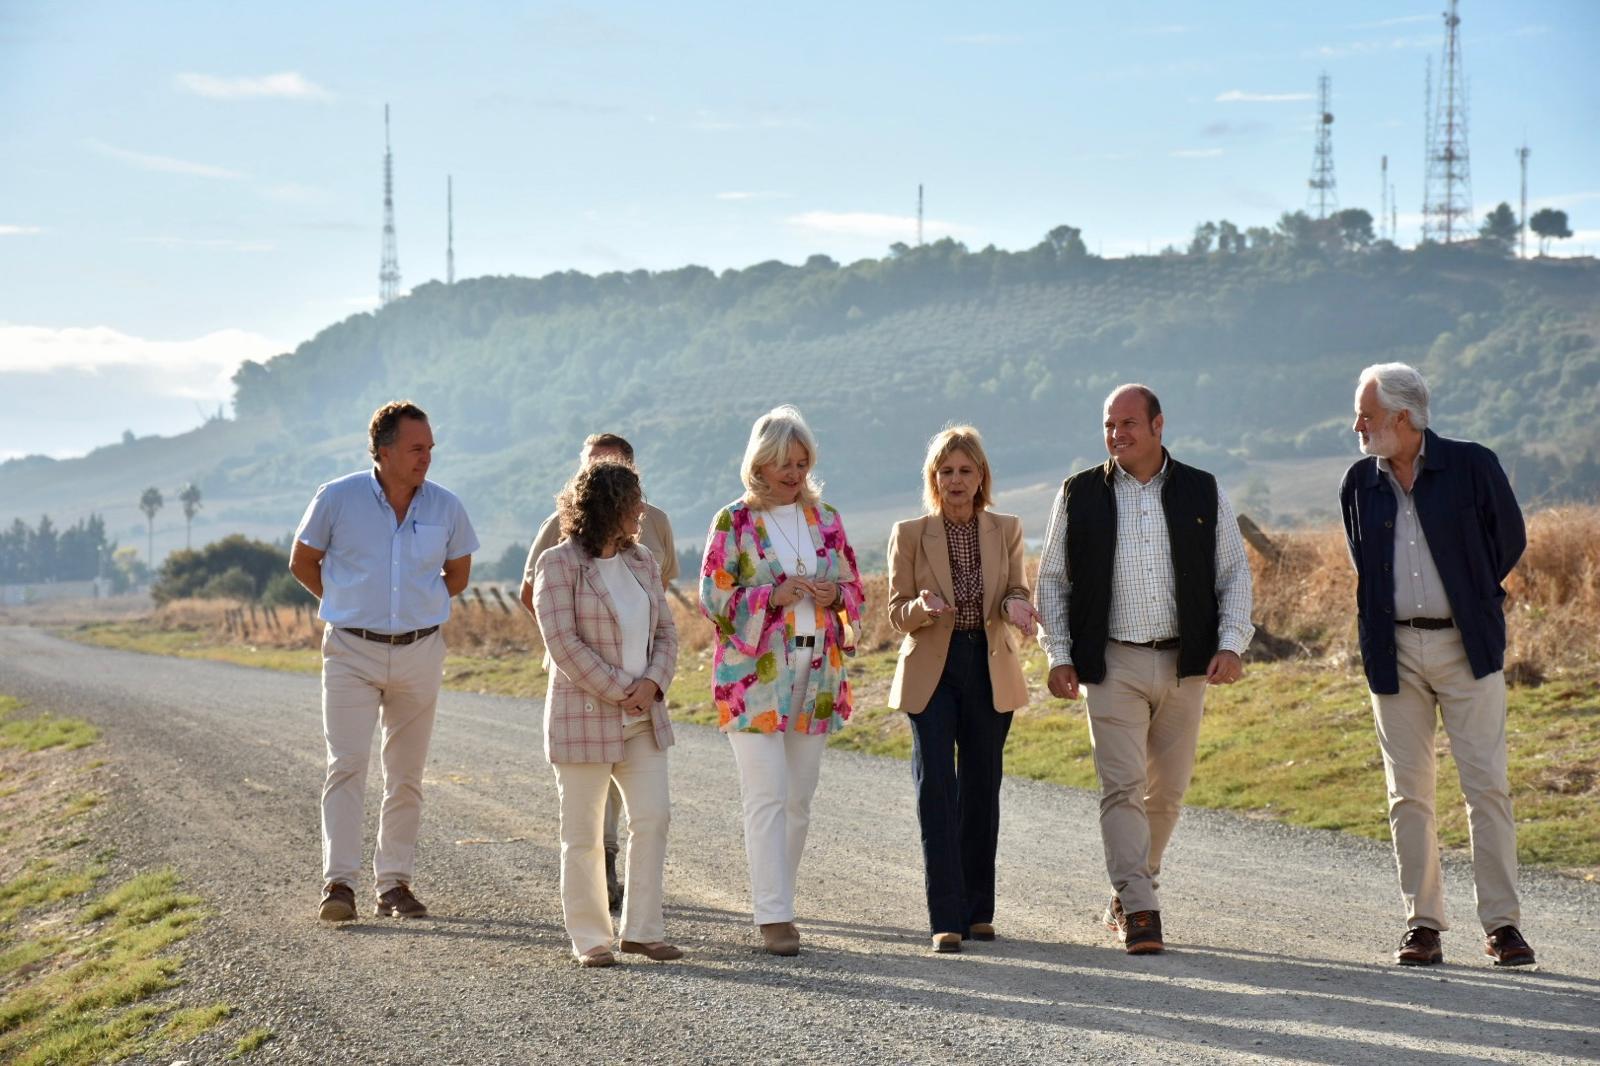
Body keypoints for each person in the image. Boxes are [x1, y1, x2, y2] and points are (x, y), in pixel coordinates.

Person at [1035, 383, 1253, 955]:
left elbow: (1233, 574)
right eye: (1109, 425)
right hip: (1110, 663)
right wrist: (1059, 653)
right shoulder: (1078, 494)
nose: (1116, 435)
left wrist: (1231, 643)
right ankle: (1140, 907)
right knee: (1122, 788)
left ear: (1159, 425)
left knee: (1169, 793)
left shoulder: (1202, 490)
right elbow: (1053, 582)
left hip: (1186, 664)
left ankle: (1133, 885)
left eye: (1128, 423)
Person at [1341, 363, 1535, 968]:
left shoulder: (1473, 465)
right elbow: (1363, 564)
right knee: (1409, 794)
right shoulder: (1357, 482)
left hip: (1466, 644)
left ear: (1403, 417)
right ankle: (1422, 924)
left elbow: (1509, 540)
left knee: (1487, 787)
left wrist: (1473, 593)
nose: (1358, 426)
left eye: (1367, 415)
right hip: (1392, 649)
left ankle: (1502, 927)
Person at [289, 400, 478, 922]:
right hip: (350, 650)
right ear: (384, 450)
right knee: (346, 765)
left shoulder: (446, 507)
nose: (427, 458)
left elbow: (457, 577)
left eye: (431, 448)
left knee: (407, 775)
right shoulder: (337, 498)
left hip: (420, 651)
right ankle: (339, 885)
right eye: (417, 448)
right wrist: (348, 601)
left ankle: (394, 884)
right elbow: (303, 561)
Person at [698, 404, 864, 956]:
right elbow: (713, 597)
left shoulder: (828, 520)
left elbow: (856, 589)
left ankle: (780, 898)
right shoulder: (733, 522)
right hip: (752, 680)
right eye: (782, 463)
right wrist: (774, 595)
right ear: (759, 466)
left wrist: (833, 595)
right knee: (766, 794)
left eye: (801, 461)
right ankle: (773, 916)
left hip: (816, 673)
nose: (793, 473)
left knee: (799, 798)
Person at [886, 426, 1040, 954]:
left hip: (989, 665)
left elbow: (1015, 589)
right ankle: (945, 917)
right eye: (946, 471)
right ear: (934, 479)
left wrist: (1016, 606)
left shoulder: (1007, 528)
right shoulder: (910, 533)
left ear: (981, 478)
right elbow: (894, 613)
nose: (956, 480)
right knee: (937, 788)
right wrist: (921, 609)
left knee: (981, 788)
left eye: (965, 471)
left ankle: (978, 912)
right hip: (932, 668)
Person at [533, 460, 680, 968]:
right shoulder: (557, 565)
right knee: (584, 833)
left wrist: (653, 684)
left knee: (653, 817)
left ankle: (642, 931)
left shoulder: (642, 562)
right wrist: (625, 689)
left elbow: (666, 632)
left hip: (644, 718)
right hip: (585, 719)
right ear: (607, 507)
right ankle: (591, 938)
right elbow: (564, 646)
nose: (642, 510)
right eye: (633, 501)